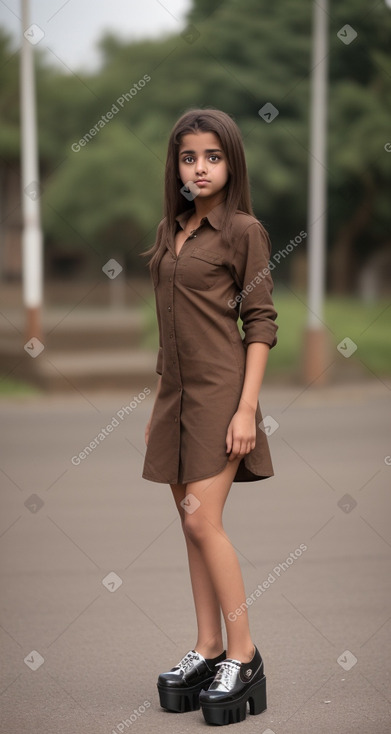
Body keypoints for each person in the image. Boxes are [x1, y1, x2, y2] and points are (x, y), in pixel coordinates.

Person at [141, 108, 278, 726]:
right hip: (176, 396)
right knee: (190, 528)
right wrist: (156, 408)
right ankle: (208, 646)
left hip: (224, 393)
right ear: (175, 165)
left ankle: (244, 657)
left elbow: (261, 323)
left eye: (212, 157)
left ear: (231, 164)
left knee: (204, 523)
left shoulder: (244, 231)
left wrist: (247, 407)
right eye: (189, 157)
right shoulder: (171, 230)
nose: (199, 167)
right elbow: (171, 332)